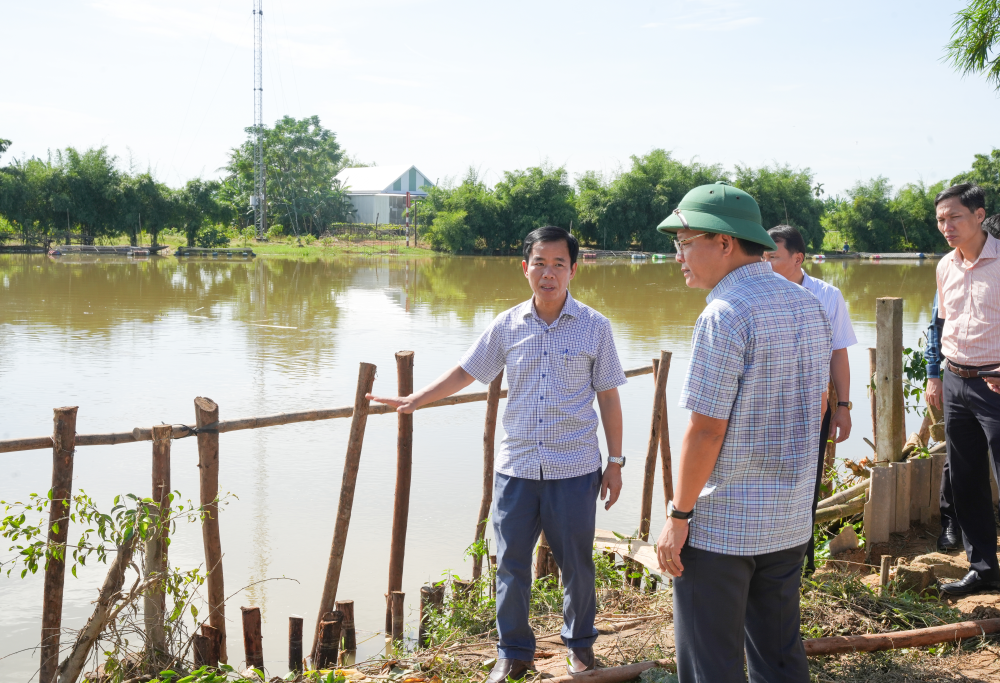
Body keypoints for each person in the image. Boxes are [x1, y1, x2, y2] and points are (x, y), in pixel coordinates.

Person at [367, 226, 627, 680]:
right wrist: (415, 400)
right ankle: (514, 653)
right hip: (518, 468)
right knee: (509, 566)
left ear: (574, 269)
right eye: (540, 263)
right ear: (524, 267)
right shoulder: (507, 325)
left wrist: (617, 462)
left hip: (575, 467)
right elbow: (466, 372)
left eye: (559, 264)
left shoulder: (596, 327)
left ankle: (580, 647)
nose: (549, 273)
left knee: (578, 567)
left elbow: (608, 397)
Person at [654, 182, 831, 683]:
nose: (678, 256)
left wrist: (679, 514)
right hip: (789, 519)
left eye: (686, 242)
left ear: (725, 242)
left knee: (713, 664)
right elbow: (819, 403)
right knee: (779, 657)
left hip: (722, 526)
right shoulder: (807, 304)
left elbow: (707, 430)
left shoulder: (725, 314)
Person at [765, 224, 856, 573]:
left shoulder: (827, 295)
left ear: (797, 258)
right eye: (762, 254)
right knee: (763, 484)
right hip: (764, 407)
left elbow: (839, 354)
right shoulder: (759, 293)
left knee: (806, 484)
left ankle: (802, 565)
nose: (764, 261)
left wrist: (843, 406)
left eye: (772, 256)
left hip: (811, 408)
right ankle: (764, 561)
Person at [932, 184, 1000, 596]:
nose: (946, 227)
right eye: (940, 220)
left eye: (954, 217)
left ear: (979, 214)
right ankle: (984, 570)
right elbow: (942, 323)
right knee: (965, 479)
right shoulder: (944, 266)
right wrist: (937, 374)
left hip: (996, 384)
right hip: (957, 380)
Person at [924, 293, 961, 551]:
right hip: (960, 374)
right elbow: (936, 326)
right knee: (957, 454)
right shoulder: (948, 268)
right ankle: (951, 523)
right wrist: (933, 373)